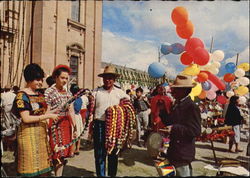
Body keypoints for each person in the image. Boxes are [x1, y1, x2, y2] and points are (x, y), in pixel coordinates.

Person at [11, 63, 58, 176]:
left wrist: (54, 113)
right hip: (28, 136)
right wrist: (48, 116)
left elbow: (44, 111)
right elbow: (26, 118)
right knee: (30, 169)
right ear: (29, 79)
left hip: (41, 136)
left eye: (41, 79)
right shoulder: (21, 96)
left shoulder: (39, 94)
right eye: (37, 79)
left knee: (44, 170)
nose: (40, 82)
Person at [92, 65, 130, 177]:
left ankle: (112, 175)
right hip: (99, 125)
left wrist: (119, 111)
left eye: (110, 78)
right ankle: (101, 175)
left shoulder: (120, 93)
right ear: (103, 78)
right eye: (106, 77)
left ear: (114, 79)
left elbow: (128, 106)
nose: (108, 80)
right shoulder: (96, 92)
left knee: (113, 153)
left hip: (115, 128)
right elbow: (90, 108)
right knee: (99, 153)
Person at [165, 74, 201, 177]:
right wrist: (163, 111)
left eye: (176, 90)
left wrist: (174, 128)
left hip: (182, 154)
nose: (172, 92)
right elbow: (171, 121)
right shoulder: (178, 104)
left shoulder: (191, 107)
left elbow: (195, 130)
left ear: (184, 90)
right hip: (174, 151)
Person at [44, 64, 77, 176]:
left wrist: (75, 127)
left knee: (62, 155)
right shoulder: (49, 92)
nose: (65, 80)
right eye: (62, 78)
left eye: (66, 78)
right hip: (54, 125)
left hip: (65, 125)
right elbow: (46, 112)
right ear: (56, 77)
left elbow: (71, 110)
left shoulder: (68, 93)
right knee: (55, 154)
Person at [70, 84, 84, 156]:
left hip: (73, 116)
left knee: (73, 133)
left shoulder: (71, 99)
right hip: (78, 116)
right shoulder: (80, 99)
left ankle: (72, 151)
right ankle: (77, 148)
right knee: (78, 133)